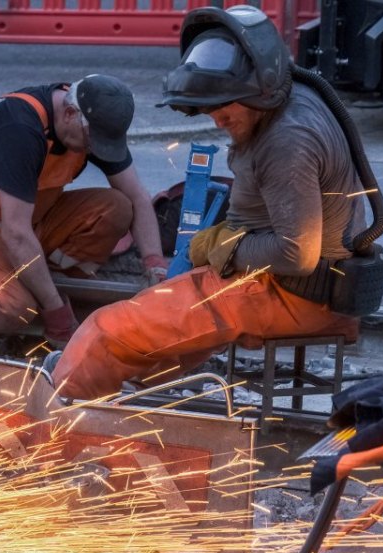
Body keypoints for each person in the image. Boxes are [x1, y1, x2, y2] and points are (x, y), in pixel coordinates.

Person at [52, 5, 363, 400]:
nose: (217, 119)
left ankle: (58, 409)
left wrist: (225, 245)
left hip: (293, 294)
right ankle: (126, 392)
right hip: (292, 285)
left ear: (259, 88)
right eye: (210, 109)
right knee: (155, 314)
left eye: (224, 107)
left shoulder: (288, 141)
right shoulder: (284, 101)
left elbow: (296, 254)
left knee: (106, 332)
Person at [0, 73, 169, 347]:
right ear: (69, 113)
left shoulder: (90, 121)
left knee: (117, 208)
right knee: (12, 307)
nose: (94, 149)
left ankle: (45, 282)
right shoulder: (20, 127)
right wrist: (56, 314)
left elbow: (137, 196)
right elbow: (16, 234)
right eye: (91, 141)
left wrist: (155, 264)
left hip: (29, 221)